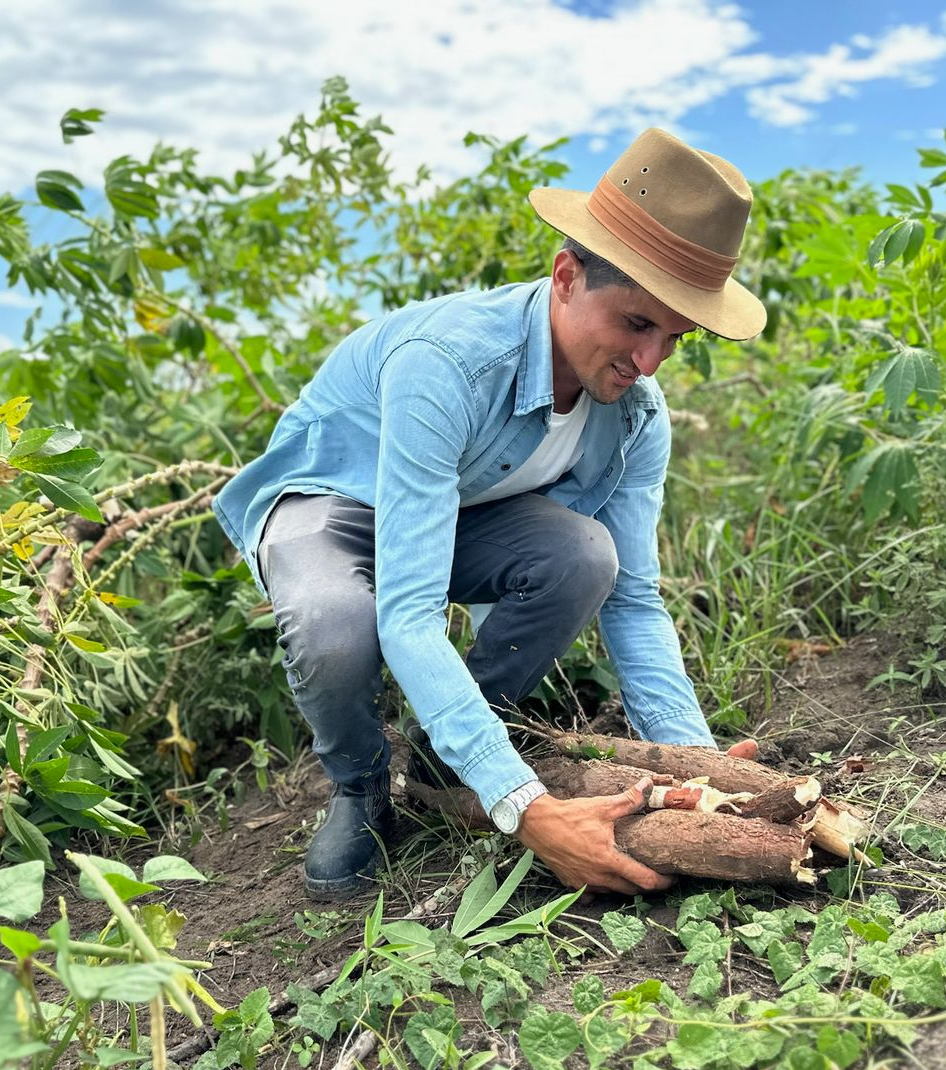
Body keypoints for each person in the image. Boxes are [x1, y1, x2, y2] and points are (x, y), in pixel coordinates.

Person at [213, 127, 766, 899]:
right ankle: (363, 783)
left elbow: (635, 600)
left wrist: (694, 761)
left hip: (461, 509)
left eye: (674, 338)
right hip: (334, 502)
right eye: (638, 323)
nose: (650, 362)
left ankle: (445, 759)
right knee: (340, 623)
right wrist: (527, 808)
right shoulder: (447, 364)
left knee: (588, 557)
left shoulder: (635, 412)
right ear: (568, 275)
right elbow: (408, 612)